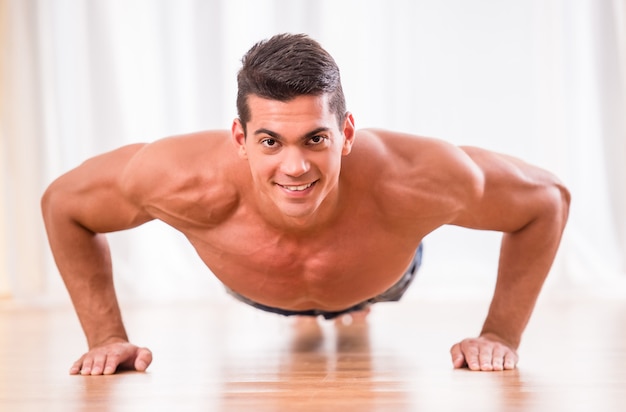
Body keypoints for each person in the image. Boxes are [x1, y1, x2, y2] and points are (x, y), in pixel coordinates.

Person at [41, 33, 570, 376]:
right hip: (255, 288)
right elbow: (65, 204)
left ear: (347, 133)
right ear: (239, 137)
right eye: (270, 141)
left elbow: (546, 200)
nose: (295, 167)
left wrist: (499, 334)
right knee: (303, 307)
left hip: (383, 277)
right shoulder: (180, 180)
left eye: (315, 139)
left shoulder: (418, 178)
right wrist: (107, 337)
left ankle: (354, 306)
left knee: (365, 295)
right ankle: (314, 314)